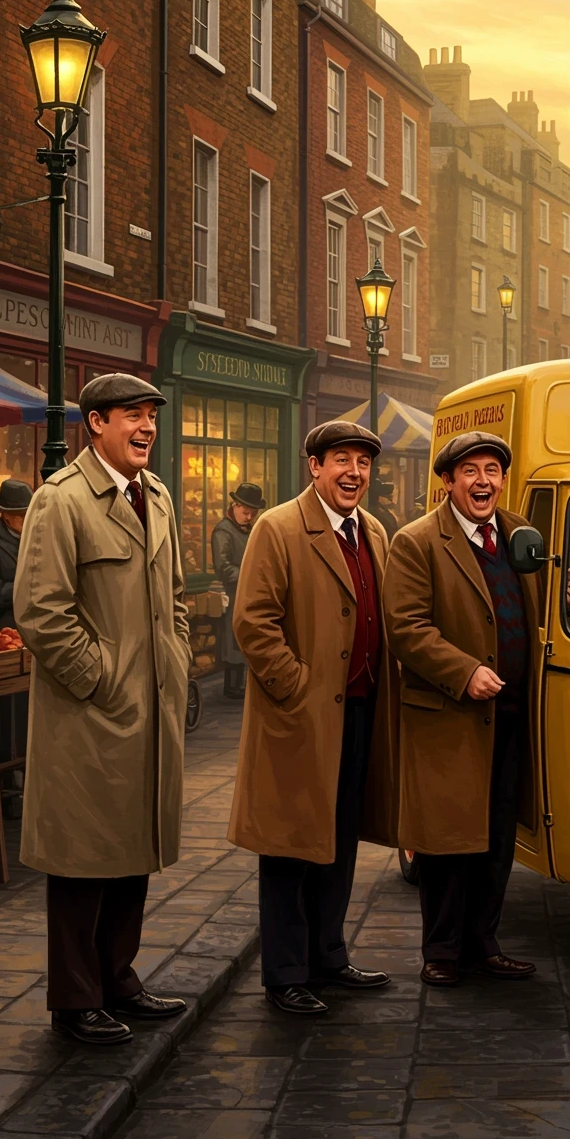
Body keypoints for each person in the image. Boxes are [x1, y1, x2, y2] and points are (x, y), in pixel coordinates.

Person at [14, 374, 190, 1046]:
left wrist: (169, 664)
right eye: (131, 416)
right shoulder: (60, 502)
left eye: (151, 416)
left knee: (132, 847)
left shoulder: (160, 497)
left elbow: (171, 596)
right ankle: (74, 998)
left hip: (150, 708)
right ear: (94, 423)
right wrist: (104, 679)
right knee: (83, 860)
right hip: (91, 715)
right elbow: (42, 613)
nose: (146, 427)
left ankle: (119, 977)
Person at [382, 431, 570, 986]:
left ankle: (483, 944)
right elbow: (406, 628)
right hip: (450, 718)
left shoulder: (520, 534)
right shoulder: (418, 541)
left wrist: (566, 592)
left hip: (513, 715)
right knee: (448, 841)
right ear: (447, 482)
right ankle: (441, 953)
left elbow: (535, 600)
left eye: (492, 470)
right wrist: (463, 671)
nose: (483, 481)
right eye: (470, 471)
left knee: (496, 838)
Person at [227, 420, 399, 1015]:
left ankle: (328, 955)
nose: (354, 472)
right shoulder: (278, 528)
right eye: (342, 460)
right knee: (289, 846)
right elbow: (253, 622)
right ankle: (285, 973)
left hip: (358, 714)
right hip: (300, 718)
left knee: (339, 839)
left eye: (363, 463)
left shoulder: (374, 531)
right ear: (315, 467)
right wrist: (295, 687)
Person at [0, 480, 33, 765]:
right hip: (8, 631)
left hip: (36, 634)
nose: (27, 519)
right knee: (8, 716)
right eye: (22, 514)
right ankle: (9, 775)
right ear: (5, 515)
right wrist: (23, 588)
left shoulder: (37, 539)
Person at [211, 483, 265, 699]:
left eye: (252, 512)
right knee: (232, 640)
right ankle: (232, 687)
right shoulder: (223, 531)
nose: (249, 516)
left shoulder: (250, 529)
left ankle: (239, 684)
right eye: (245, 511)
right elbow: (223, 568)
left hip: (250, 591)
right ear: (235, 505)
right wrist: (250, 574)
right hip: (233, 592)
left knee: (244, 637)